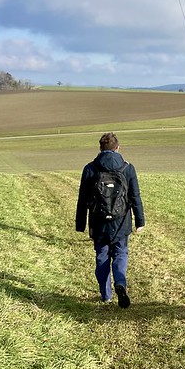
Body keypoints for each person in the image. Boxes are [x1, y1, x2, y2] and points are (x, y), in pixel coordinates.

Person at [76, 132, 145, 308]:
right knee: (121, 254)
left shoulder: (90, 168)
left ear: (100, 149)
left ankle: (106, 294)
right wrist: (140, 221)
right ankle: (120, 283)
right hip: (121, 222)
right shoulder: (128, 168)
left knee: (102, 256)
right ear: (118, 148)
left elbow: (82, 199)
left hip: (98, 222)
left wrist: (80, 224)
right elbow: (135, 196)